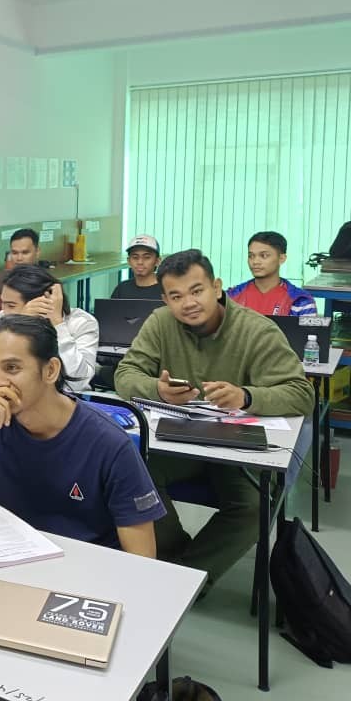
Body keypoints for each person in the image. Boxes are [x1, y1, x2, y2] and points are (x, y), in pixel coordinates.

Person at [0, 314, 164, 701]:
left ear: (50, 370)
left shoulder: (108, 444)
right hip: (8, 573)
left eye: (12, 368)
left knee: (2, 679)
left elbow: (143, 564)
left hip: (81, 588)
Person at [115, 249, 314, 590]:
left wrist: (247, 397)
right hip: (180, 440)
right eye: (176, 296)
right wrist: (157, 389)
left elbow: (301, 394)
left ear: (217, 287)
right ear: (165, 300)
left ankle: (187, 580)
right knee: (131, 475)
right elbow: (125, 374)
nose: (188, 303)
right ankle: (174, 557)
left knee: (254, 508)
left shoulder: (256, 330)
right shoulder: (161, 322)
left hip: (237, 448)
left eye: (197, 291)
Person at [0, 265, 98, 390]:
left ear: (43, 302)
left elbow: (78, 383)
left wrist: (58, 324)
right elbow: (0, 371)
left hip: (66, 397)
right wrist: (21, 325)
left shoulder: (81, 322)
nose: (4, 312)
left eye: (11, 306)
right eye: (2, 304)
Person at [226, 231, 317, 316]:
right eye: (251, 256)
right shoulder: (231, 297)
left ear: (281, 258)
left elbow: (307, 328)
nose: (255, 261)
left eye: (264, 256)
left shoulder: (300, 301)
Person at [111, 235, 162, 299]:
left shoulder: (166, 288)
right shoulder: (122, 289)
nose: (140, 262)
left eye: (147, 257)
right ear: (129, 261)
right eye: (135, 257)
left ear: (157, 261)